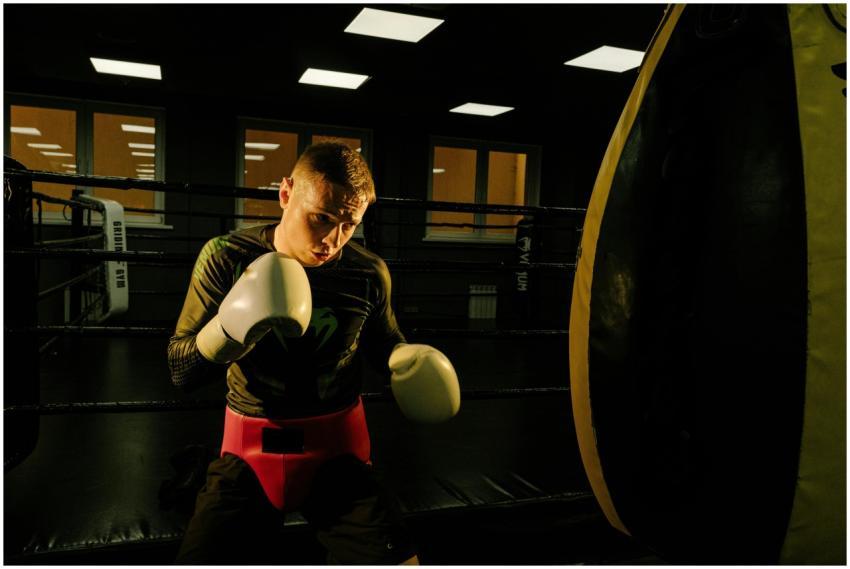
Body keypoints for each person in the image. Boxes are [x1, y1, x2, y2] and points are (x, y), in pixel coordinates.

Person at [167, 141, 460, 564]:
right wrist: (228, 329)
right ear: (286, 193)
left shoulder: (367, 272)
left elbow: (385, 344)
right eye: (320, 218)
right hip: (248, 455)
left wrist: (407, 358)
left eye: (349, 224)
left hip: (338, 454)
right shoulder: (227, 257)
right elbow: (181, 370)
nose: (332, 240)